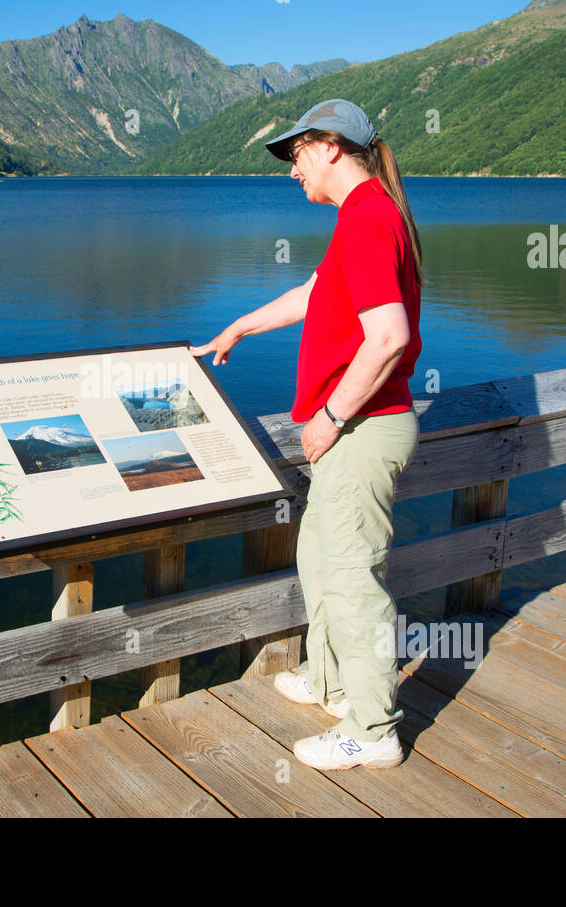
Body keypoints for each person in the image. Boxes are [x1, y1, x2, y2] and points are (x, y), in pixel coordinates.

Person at [191, 98, 423, 771]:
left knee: (354, 581)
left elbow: (388, 338)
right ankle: (331, 681)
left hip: (362, 429)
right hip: (357, 429)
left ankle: (375, 728)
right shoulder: (365, 216)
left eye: (295, 155)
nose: (291, 171)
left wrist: (328, 417)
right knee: (321, 559)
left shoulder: (369, 218)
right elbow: (318, 294)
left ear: (328, 147)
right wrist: (240, 325)